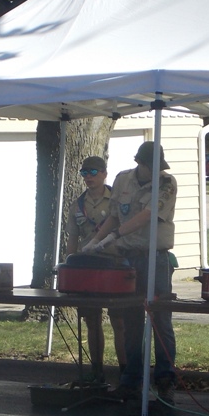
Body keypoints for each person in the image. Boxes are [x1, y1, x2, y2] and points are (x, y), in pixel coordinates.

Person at [86, 141, 178, 406]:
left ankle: (165, 381)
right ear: (141, 164)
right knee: (131, 320)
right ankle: (131, 381)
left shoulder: (166, 183)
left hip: (155, 258)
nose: (156, 171)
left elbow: (148, 215)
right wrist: (96, 241)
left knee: (160, 320)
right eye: (151, 166)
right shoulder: (123, 179)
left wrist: (115, 235)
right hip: (128, 259)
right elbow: (115, 215)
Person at [65, 155, 126, 383]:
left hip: (114, 264)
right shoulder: (77, 205)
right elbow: (73, 239)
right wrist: (68, 264)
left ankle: (125, 371)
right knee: (92, 321)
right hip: (88, 267)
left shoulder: (116, 200)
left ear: (104, 174)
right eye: (84, 173)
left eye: (93, 172)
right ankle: (97, 370)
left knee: (119, 321)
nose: (88, 177)